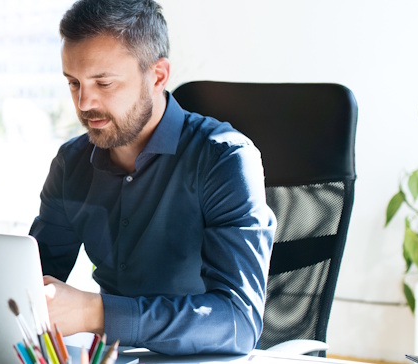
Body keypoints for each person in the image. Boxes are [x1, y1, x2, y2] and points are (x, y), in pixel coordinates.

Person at [31, 0, 276, 355]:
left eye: (104, 82)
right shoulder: (72, 163)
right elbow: (32, 281)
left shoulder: (224, 160)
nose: (84, 102)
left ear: (158, 75)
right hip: (112, 356)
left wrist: (95, 312)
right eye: (73, 83)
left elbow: (238, 322)